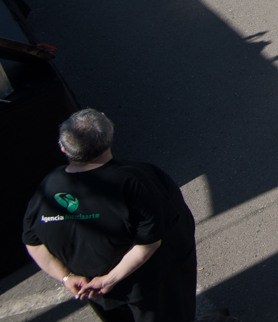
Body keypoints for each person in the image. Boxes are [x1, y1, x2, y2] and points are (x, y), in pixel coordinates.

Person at [22, 109, 197, 322]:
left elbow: (33, 242)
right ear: (109, 140)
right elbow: (149, 243)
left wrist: (67, 277)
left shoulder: (48, 187)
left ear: (63, 147)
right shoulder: (136, 179)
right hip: (149, 289)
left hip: (94, 292)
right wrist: (108, 280)